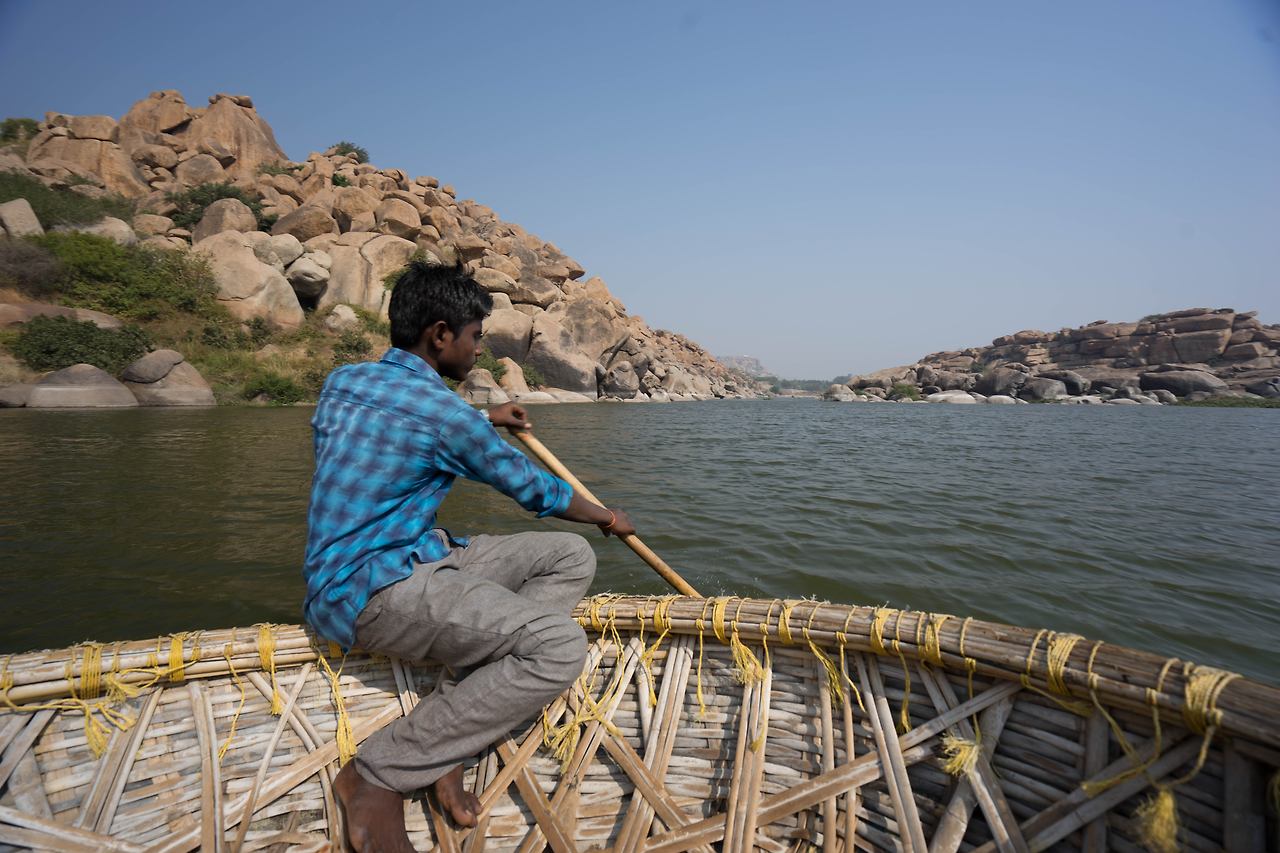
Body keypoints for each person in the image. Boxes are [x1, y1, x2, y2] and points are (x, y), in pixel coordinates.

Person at [303, 260, 635, 852]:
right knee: (559, 647)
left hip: (392, 562)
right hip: (372, 593)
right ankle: (377, 773)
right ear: (440, 334)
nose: (479, 349)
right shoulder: (447, 417)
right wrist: (607, 517)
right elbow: (533, 489)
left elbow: (412, 422)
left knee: (567, 557)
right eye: (475, 336)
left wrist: (485, 418)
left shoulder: (343, 381)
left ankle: (448, 735)